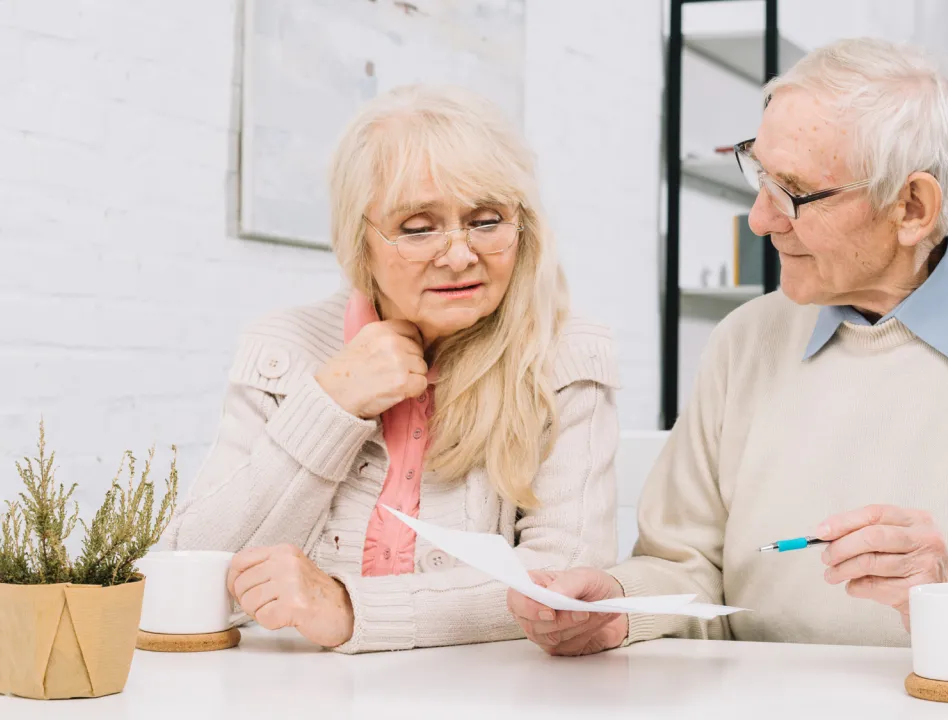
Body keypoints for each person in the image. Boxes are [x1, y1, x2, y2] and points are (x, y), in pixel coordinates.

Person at [508, 38, 948, 664]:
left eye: (794, 194)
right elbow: (688, 571)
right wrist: (617, 606)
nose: (759, 218)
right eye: (760, 175)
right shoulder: (743, 342)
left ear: (912, 208)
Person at [162, 85, 620, 653]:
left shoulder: (566, 354)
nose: (458, 255)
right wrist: (331, 405)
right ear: (361, 242)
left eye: (485, 220)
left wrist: (352, 610)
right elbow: (184, 574)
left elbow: (566, 585)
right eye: (418, 227)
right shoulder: (284, 348)